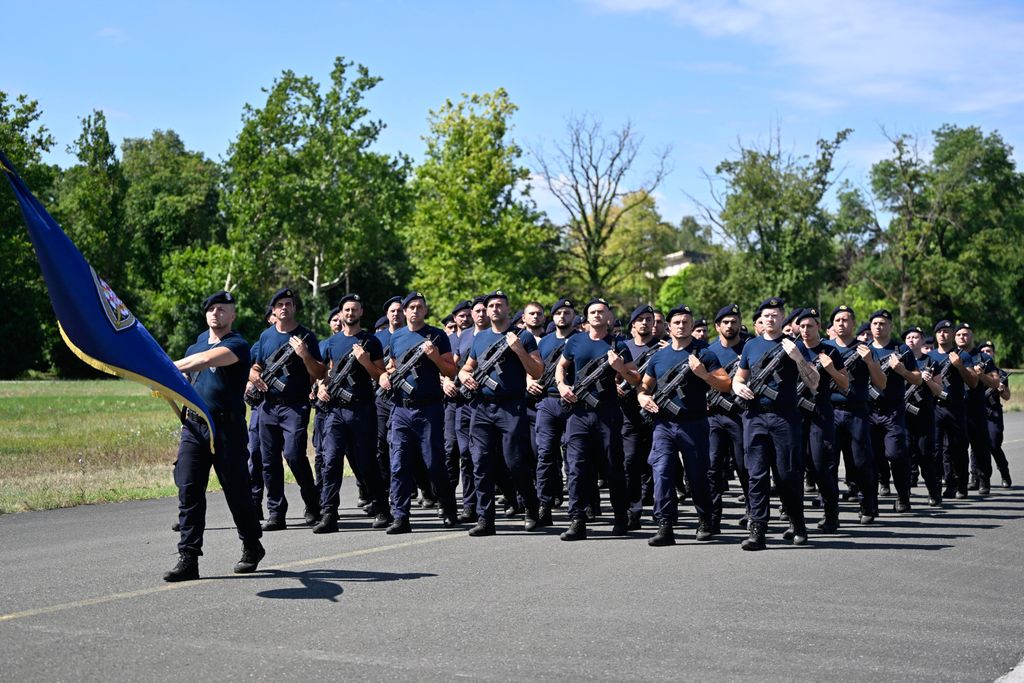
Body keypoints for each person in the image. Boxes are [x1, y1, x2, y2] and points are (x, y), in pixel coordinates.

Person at [164, 291, 264, 582]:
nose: (215, 314)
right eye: (211, 309)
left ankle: (251, 543)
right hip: (195, 426)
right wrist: (169, 382)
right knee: (189, 489)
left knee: (236, 490)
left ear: (232, 315)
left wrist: (167, 367)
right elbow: (189, 376)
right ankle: (188, 557)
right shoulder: (195, 343)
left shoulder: (237, 344)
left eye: (222, 309)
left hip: (227, 429)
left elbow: (207, 359)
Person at [638, 304, 731, 546]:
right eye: (677, 322)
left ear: (692, 326)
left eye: (686, 322)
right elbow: (645, 385)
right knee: (662, 473)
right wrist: (642, 397)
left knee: (697, 476)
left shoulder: (704, 354)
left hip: (695, 423)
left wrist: (703, 374)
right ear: (668, 327)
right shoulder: (658, 356)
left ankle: (705, 519)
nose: (681, 325)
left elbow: (725, 384)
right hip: (663, 425)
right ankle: (665, 525)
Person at [732, 298, 820, 550]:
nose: (769, 320)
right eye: (765, 316)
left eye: (774, 315)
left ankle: (797, 522)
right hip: (755, 417)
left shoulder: (794, 345)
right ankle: (758, 530)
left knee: (787, 474)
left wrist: (798, 358)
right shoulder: (751, 346)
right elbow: (740, 377)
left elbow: (814, 382)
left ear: (782, 318)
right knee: (756, 474)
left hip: (785, 418)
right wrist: (739, 387)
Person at [458, 290, 545, 535]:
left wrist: (518, 350)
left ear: (508, 309)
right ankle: (486, 519)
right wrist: (464, 375)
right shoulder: (481, 338)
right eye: (491, 306)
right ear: (485, 311)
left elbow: (538, 371)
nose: (495, 309)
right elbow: (467, 367)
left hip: (511, 406)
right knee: (481, 462)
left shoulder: (523, 336)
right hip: (482, 407)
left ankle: (530, 506)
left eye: (500, 305)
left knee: (515, 462)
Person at [556, 298, 641, 540]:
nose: (596, 315)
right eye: (592, 312)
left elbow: (635, 379)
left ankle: (620, 517)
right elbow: (561, 366)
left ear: (609, 318)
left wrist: (621, 368)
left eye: (601, 312)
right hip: (578, 413)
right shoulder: (575, 341)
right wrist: (562, 386)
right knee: (576, 467)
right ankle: (577, 520)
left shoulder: (618, 345)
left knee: (613, 467)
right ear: (586, 317)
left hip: (607, 413)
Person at [378, 292, 461, 532]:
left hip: (429, 409)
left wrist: (434, 357)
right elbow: (392, 365)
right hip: (401, 409)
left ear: (425, 311)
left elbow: (451, 371)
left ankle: (447, 508)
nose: (415, 310)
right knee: (399, 464)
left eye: (419, 307)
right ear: (404, 311)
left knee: (434, 463)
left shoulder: (437, 335)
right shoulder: (397, 337)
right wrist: (386, 375)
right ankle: (401, 516)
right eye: (411, 307)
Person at [312, 294, 391, 533]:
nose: (350, 313)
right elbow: (323, 373)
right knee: (331, 461)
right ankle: (329, 513)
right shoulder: (332, 343)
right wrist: (322, 387)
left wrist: (365, 361)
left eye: (354, 309)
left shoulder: (371, 341)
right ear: (340, 313)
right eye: (346, 310)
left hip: (362, 409)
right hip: (335, 410)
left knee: (366, 462)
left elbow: (381, 376)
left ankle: (381, 509)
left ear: (361, 313)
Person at [249, 288, 325, 531]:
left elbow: (320, 373)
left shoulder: (306, 336)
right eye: (280, 304)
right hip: (268, 406)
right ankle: (276, 512)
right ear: (273, 310)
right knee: (269, 461)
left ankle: (312, 504)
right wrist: (253, 375)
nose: (284, 308)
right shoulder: (266, 336)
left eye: (289, 304)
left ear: (294, 308)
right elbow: (256, 366)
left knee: (293, 455)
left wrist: (304, 355)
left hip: (295, 406)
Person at [825, 305, 885, 523]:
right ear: (832, 325)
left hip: (856, 411)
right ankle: (830, 511)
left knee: (860, 462)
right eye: (838, 320)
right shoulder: (824, 348)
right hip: (829, 412)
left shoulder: (865, 349)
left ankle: (867, 505)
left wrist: (870, 361)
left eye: (846, 320)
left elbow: (881, 383)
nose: (842, 324)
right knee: (828, 463)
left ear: (853, 323)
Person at [794, 308, 849, 533]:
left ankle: (831, 514)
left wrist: (830, 369)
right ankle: (794, 517)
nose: (806, 330)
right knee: (795, 466)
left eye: (810, 326)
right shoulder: (792, 350)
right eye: (802, 326)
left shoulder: (830, 351)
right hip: (795, 415)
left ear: (819, 327)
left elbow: (845, 383)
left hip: (820, 414)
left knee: (821, 465)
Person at [528, 297, 577, 520]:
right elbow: (533, 368)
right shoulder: (544, 342)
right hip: (547, 402)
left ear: (573, 316)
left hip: (575, 403)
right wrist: (528, 381)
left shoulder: (582, 340)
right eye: (558, 313)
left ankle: (581, 505)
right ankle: (544, 506)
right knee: (545, 454)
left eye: (567, 313)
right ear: (553, 317)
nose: (562, 317)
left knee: (575, 457)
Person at [867, 309, 921, 512]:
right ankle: (871, 500)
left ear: (890, 326)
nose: (879, 327)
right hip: (869, 411)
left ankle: (902, 495)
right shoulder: (863, 350)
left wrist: (902, 370)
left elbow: (916, 379)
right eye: (875, 323)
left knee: (896, 454)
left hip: (893, 410)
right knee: (872, 457)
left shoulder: (902, 350)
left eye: (883, 323)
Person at [619, 304, 664, 529]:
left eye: (650, 319)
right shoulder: (623, 347)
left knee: (660, 463)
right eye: (641, 319)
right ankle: (633, 510)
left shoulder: (663, 347)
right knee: (630, 462)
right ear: (633, 325)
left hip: (657, 412)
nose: (646, 323)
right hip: (629, 413)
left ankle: (661, 510)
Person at [706, 304, 748, 530]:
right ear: (717, 326)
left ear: (740, 324)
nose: (730, 326)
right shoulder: (708, 351)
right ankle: (713, 517)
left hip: (741, 417)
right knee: (712, 468)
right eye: (726, 322)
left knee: (745, 467)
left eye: (734, 322)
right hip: (713, 417)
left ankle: (753, 511)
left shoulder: (749, 348)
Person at [929, 320, 977, 498]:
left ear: (952, 335)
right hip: (935, 408)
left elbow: (973, 382)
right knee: (936, 450)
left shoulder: (962, 355)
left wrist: (958, 365)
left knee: (958, 448)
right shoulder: (930, 356)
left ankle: (961, 485)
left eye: (947, 331)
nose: (943, 334)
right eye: (939, 331)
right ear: (935, 335)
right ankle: (943, 486)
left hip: (956, 407)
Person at [956, 323, 999, 494]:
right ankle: (966, 480)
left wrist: (981, 376)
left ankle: (983, 480)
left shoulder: (983, 358)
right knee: (958, 447)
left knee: (980, 445)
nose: (962, 337)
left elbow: (995, 383)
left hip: (976, 407)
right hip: (957, 407)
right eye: (958, 334)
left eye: (965, 334)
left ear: (972, 335)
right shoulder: (950, 356)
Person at [903, 326, 944, 505]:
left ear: (922, 340)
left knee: (925, 455)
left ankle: (934, 492)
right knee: (903, 456)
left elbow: (939, 391)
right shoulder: (899, 361)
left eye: (916, 337)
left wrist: (927, 380)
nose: (912, 340)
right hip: (902, 414)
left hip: (924, 415)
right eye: (909, 337)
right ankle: (904, 495)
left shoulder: (932, 362)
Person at [374, 296, 405, 502]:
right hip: (382, 398)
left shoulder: (409, 335)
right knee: (380, 446)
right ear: (387, 315)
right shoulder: (378, 339)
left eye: (399, 310)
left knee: (401, 447)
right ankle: (384, 492)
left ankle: (417, 489)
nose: (396, 314)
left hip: (403, 398)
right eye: (392, 311)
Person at [978, 340, 1012, 487]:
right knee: (977, 447)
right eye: (984, 351)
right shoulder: (974, 371)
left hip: (993, 414)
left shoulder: (1001, 374)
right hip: (977, 412)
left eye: (989, 351)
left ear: (993, 354)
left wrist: (1002, 389)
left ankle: (1004, 471)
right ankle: (977, 478)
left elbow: (1007, 397)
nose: (986, 354)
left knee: (993, 444)